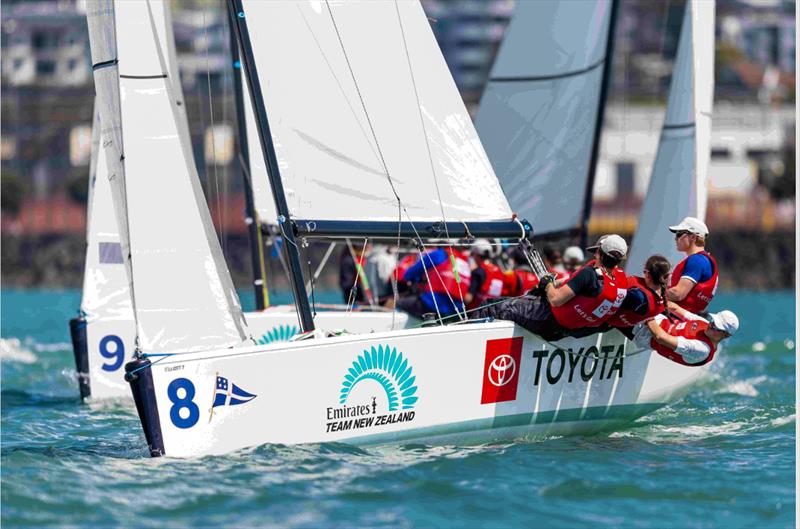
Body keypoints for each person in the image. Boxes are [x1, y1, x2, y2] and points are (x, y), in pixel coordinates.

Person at [475, 234, 628, 341]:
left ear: (600, 253)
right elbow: (574, 282)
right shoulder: (620, 279)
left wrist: (547, 284)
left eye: (595, 252)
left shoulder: (589, 274)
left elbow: (555, 300)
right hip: (570, 330)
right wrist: (553, 283)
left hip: (548, 320)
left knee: (490, 307)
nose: (594, 255)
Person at [633, 309, 739, 366]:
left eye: (716, 326)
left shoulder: (702, 349)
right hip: (654, 319)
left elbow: (660, 337)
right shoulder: (704, 323)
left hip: (641, 333)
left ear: (726, 335)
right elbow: (675, 309)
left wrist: (648, 315)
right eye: (713, 321)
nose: (711, 325)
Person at [396, 246, 471, 319]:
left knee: (397, 303)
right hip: (456, 311)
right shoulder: (465, 262)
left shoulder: (439, 254)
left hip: (431, 304)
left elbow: (408, 275)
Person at [667, 217, 718, 313]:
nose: (675, 238)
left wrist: (653, 293)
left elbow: (678, 294)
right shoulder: (702, 260)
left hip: (678, 320)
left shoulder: (697, 260)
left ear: (693, 237)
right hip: (687, 318)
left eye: (679, 234)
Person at [608, 254, 671, 330]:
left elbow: (610, 297)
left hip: (601, 318)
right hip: (612, 324)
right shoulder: (662, 301)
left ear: (648, 275)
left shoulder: (638, 296)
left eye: (644, 271)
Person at [464, 239, 505, 310]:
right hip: (493, 312)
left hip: (476, 313)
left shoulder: (478, 272)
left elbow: (468, 298)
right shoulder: (500, 271)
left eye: (473, 254)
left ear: (476, 254)